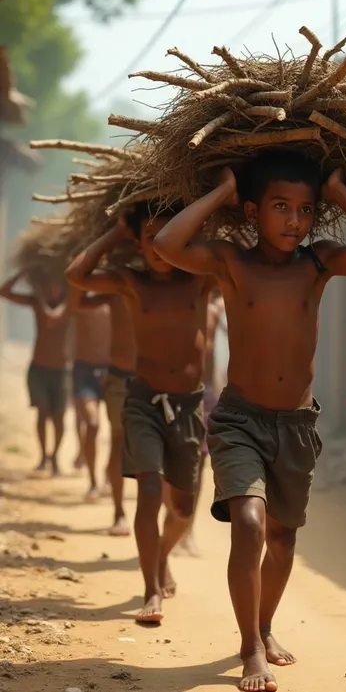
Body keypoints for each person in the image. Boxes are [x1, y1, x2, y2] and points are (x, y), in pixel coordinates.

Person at [153, 148, 346, 692]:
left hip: (296, 426)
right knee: (248, 523)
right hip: (240, 418)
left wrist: (340, 193)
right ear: (252, 212)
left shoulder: (319, 263)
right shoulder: (230, 263)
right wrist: (220, 190)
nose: (295, 221)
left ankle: (264, 627)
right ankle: (249, 650)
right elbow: (166, 245)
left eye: (306, 210)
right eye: (281, 207)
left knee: (283, 540)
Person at [66, 201, 212, 623]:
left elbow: (231, 251)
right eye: (150, 239)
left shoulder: (201, 279)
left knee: (182, 508)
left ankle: (162, 554)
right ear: (140, 244)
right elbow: (76, 275)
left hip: (187, 407)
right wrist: (120, 231)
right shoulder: (130, 282)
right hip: (143, 403)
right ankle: (151, 590)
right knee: (149, 489)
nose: (159, 248)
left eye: (169, 239)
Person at [75, 292, 135, 535]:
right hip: (102, 373)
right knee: (96, 427)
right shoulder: (108, 294)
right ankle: (113, 505)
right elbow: (74, 300)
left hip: (147, 378)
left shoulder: (150, 289)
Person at [0, 271, 71, 475]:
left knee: (59, 417)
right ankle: (42, 456)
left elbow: (56, 314)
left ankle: (55, 455)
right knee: (42, 412)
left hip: (61, 371)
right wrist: (25, 271)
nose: (51, 289)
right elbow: (4, 291)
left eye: (54, 285)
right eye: (46, 285)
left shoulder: (71, 305)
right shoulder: (35, 302)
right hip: (38, 368)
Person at [177, 287, 226, 556]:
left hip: (206, 394)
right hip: (176, 391)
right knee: (172, 465)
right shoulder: (175, 298)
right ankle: (172, 525)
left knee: (199, 465)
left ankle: (188, 530)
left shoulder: (216, 308)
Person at [70, 290, 110, 502]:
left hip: (112, 371)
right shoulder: (81, 302)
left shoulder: (117, 299)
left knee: (119, 431)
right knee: (92, 424)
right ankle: (93, 482)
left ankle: (109, 475)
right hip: (84, 371)